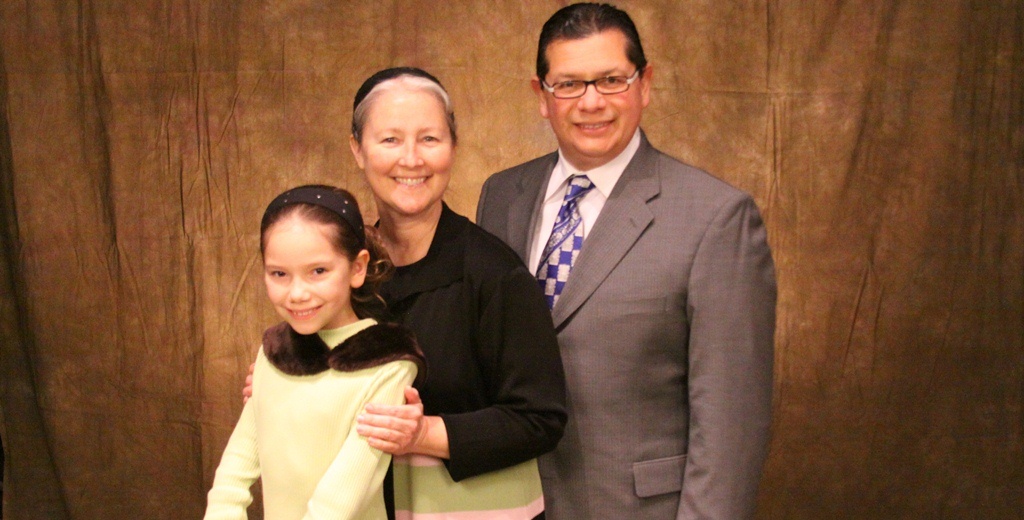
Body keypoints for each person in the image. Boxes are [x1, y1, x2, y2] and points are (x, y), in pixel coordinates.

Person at [475, 3, 777, 519]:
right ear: (541, 97)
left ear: (645, 84)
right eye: (569, 84)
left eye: (611, 79)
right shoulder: (501, 196)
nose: (591, 102)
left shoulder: (716, 218)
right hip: (508, 504)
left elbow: (731, 425)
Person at [206, 185, 425, 519]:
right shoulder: (274, 352)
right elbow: (234, 474)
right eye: (279, 274)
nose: (297, 293)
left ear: (357, 268)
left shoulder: (387, 363)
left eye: (318, 271)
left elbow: (340, 500)